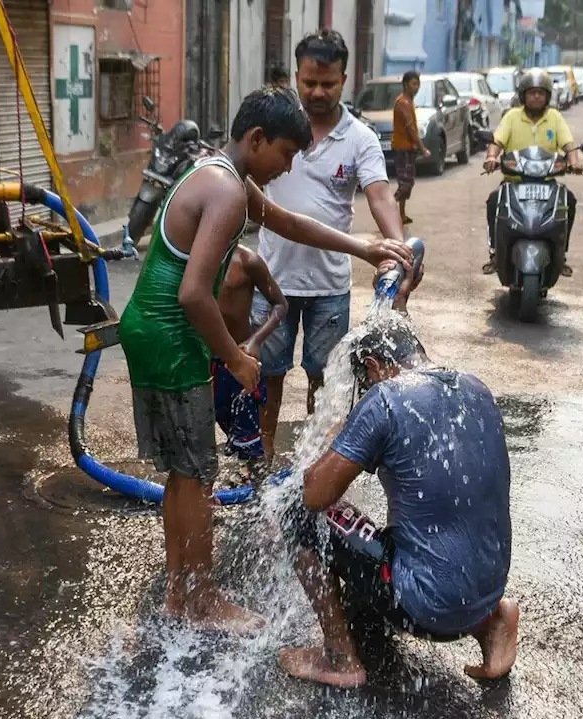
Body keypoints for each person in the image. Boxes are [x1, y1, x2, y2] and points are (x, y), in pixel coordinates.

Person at [119, 87, 411, 631]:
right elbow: (193, 295)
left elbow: (287, 221)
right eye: (285, 154)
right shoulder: (228, 193)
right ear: (256, 139)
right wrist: (234, 357)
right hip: (170, 335)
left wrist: (364, 248)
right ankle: (200, 598)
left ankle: (182, 595)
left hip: (151, 332)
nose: (289, 165)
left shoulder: (218, 174)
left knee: (184, 476)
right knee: (197, 475)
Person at [276, 267, 518, 688]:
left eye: (363, 381)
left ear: (373, 366)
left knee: (294, 508)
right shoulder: (474, 386)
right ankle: (493, 621)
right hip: (485, 591)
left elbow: (315, 495)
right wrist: (399, 302)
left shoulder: (386, 400)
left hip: (426, 609)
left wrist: (343, 430)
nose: (365, 390)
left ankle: (338, 659)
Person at [254, 29, 407, 459]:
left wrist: (397, 248)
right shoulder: (273, 129)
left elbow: (379, 195)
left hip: (329, 286)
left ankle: (314, 462)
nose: (317, 92)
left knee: (324, 379)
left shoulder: (359, 138)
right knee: (268, 376)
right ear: (296, 76)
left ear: (345, 80)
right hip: (272, 280)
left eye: (328, 83)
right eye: (309, 82)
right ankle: (260, 460)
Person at [482, 67, 583, 276]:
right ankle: (495, 252)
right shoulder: (512, 116)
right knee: (494, 201)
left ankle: (561, 253)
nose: (536, 96)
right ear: (523, 95)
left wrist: (574, 161)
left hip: (547, 182)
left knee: (569, 201)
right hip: (515, 181)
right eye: (532, 92)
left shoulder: (554, 117)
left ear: (547, 96)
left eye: (541, 93)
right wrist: (492, 157)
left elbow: (568, 144)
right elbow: (497, 140)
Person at [212, 245, 288, 474]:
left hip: (239, 360)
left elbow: (280, 304)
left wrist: (255, 340)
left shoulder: (248, 261)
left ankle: (256, 488)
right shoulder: (191, 258)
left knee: (249, 440)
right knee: (207, 430)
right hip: (203, 360)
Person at [391, 70, 431, 226]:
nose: (417, 87)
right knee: (406, 183)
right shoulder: (403, 103)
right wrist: (423, 148)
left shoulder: (408, 102)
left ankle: (401, 214)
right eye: (414, 84)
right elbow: (410, 128)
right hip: (402, 148)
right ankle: (389, 209)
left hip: (408, 147)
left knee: (407, 181)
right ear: (405, 84)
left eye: (418, 84)